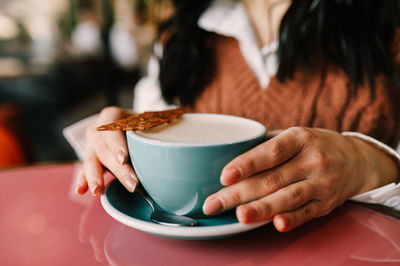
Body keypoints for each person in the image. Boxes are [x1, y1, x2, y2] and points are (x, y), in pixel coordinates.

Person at [66, 0, 400, 232]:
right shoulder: (182, 37)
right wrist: (117, 139)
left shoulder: (385, 22)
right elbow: (151, 129)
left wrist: (371, 163)